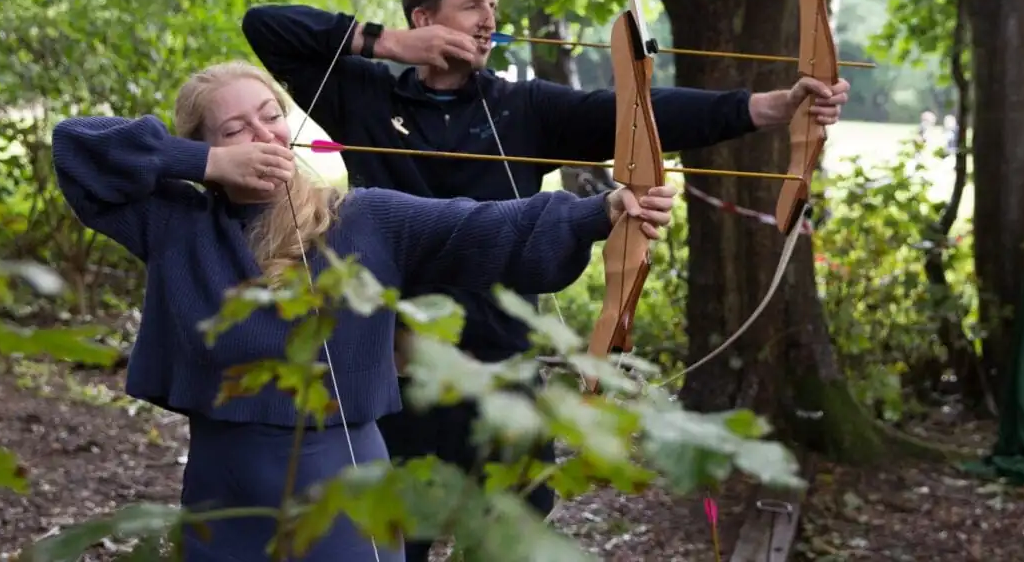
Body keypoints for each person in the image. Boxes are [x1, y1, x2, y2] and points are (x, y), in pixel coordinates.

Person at [242, 0, 851, 560]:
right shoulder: (364, 95)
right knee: (393, 541)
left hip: (501, 366)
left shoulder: (522, 107)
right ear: (424, 18)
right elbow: (265, 24)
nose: (489, 18)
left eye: (493, 6)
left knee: (513, 540)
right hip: (393, 370)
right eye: (472, 5)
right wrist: (387, 42)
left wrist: (769, 108)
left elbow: (636, 110)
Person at [51, 60, 676, 562]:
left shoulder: (363, 218)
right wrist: (204, 166)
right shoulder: (178, 225)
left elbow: (485, 225)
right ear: (202, 147)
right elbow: (76, 146)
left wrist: (601, 212)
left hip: (342, 471)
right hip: (224, 480)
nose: (263, 136)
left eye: (270, 116)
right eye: (234, 130)